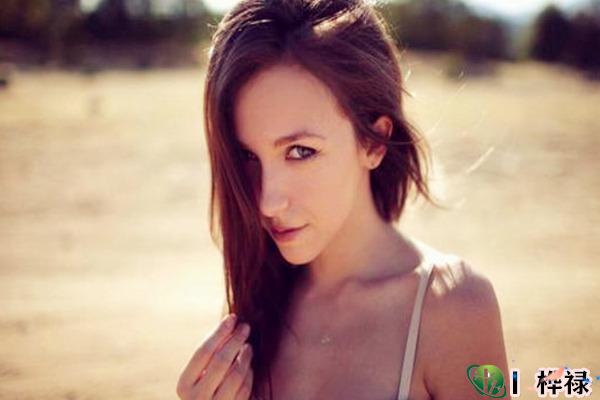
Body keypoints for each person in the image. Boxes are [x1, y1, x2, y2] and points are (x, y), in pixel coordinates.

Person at [176, 0, 509, 399]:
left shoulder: (453, 307)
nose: (266, 203)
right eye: (247, 157)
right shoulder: (256, 308)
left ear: (374, 141)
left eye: (300, 151)